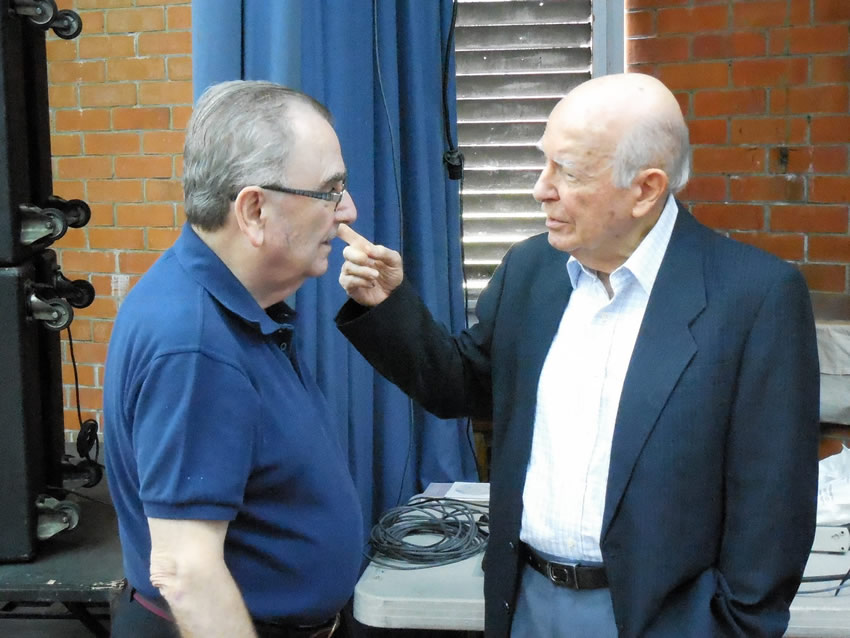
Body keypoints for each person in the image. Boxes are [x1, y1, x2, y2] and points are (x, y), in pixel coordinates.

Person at [335, 73, 820, 637]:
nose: (541, 189)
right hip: (526, 604)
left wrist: (730, 628)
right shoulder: (531, 271)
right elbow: (459, 385)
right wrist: (388, 305)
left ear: (646, 189)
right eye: (544, 163)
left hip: (665, 620)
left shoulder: (755, 298)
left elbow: (773, 507)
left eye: (567, 171)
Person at [104, 80, 360, 638]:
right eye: (330, 191)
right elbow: (185, 571)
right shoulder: (194, 342)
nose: (348, 211)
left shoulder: (225, 306)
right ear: (253, 210)